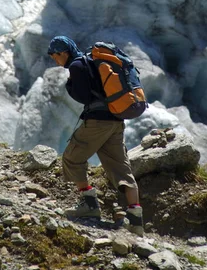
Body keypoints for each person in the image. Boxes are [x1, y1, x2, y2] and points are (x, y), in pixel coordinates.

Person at [47, 35, 144, 236]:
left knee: (72, 157)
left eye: (55, 56)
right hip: (116, 122)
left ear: (63, 52)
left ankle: (89, 204)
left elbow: (83, 96)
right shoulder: (92, 61)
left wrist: (69, 85)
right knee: (120, 167)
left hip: (98, 121)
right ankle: (136, 221)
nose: (55, 61)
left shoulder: (76, 65)